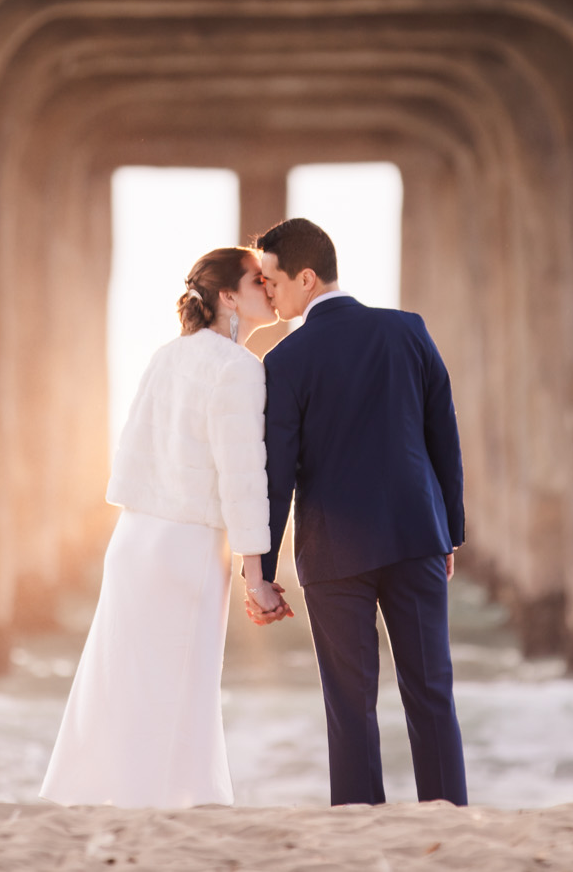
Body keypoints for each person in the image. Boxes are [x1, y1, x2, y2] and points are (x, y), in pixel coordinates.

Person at [40, 246, 288, 807]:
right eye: (257, 281)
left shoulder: (165, 355)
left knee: (120, 679)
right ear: (228, 295)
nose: (269, 289)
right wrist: (257, 575)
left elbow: (130, 453)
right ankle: (171, 798)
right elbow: (243, 478)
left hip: (132, 538)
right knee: (183, 682)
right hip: (189, 544)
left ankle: (100, 794)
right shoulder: (240, 369)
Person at [247, 217, 469, 806]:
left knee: (349, 704)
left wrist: (263, 568)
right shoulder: (408, 331)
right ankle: (446, 820)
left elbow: (276, 475)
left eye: (272, 280)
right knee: (431, 692)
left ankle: (357, 822)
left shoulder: (286, 360)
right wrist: (449, 534)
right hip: (416, 536)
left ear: (307, 277)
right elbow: (443, 437)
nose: (268, 292)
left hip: (332, 551)